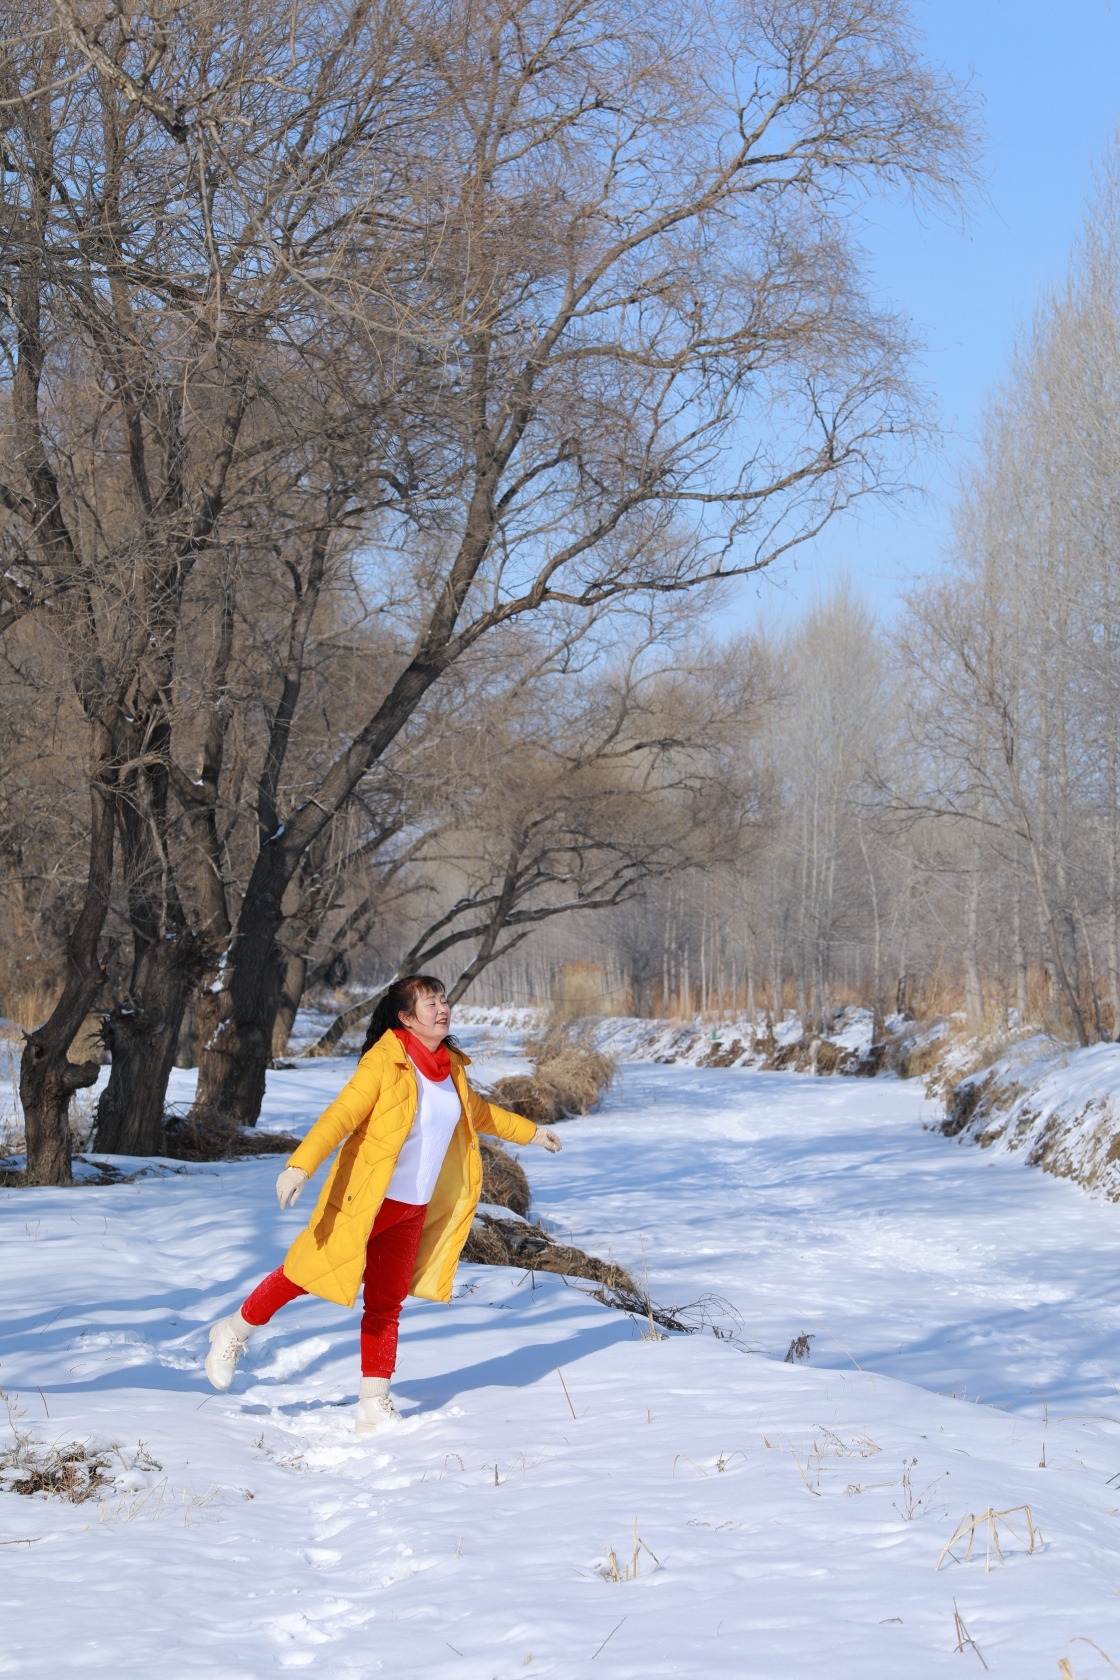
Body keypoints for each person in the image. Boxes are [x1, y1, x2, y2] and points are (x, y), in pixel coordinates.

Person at [204, 975, 561, 1430]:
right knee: (304, 1272)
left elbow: (478, 1113)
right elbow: (340, 1115)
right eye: (430, 1003)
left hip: (413, 1208)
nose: (442, 1009)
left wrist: (532, 1133)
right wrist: (301, 1165)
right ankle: (232, 1332)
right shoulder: (384, 1063)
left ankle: (373, 1402)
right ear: (406, 1018)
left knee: (386, 1303)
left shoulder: (450, 1065)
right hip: (366, 1202)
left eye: (443, 1000)